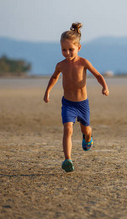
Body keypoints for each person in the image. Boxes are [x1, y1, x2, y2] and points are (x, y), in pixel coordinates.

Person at [43, 22, 109, 172]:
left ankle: (88, 137)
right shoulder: (61, 65)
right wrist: (47, 92)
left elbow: (98, 75)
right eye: (64, 50)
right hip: (68, 104)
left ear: (78, 48)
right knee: (68, 129)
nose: (67, 53)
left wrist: (104, 86)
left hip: (82, 104)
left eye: (70, 49)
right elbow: (54, 77)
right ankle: (68, 160)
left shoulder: (83, 63)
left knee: (85, 129)